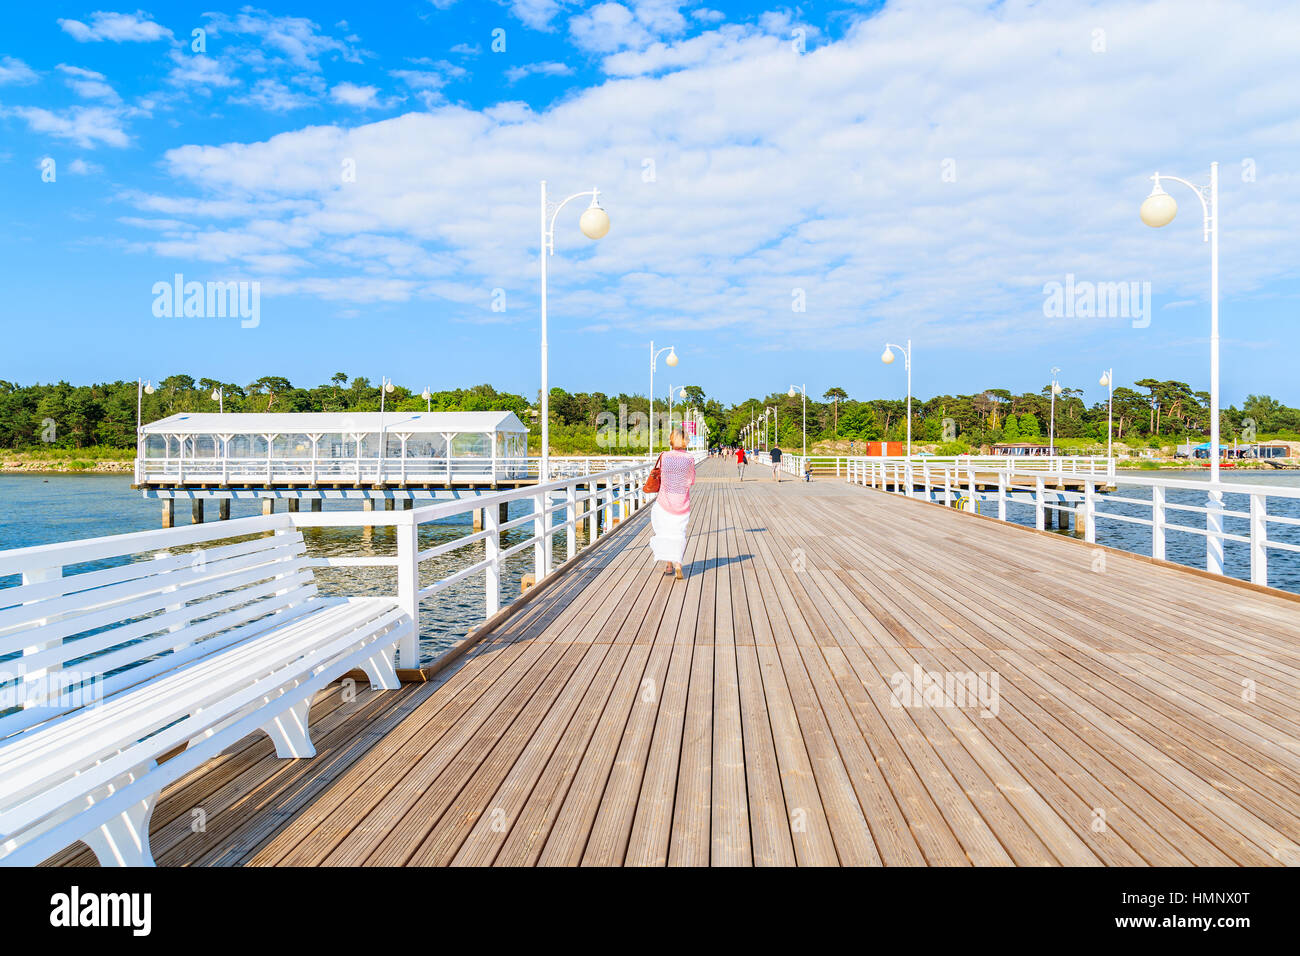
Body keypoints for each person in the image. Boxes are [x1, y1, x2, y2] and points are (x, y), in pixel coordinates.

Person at [650, 429, 696, 581]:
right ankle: (678, 564)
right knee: (679, 532)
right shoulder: (689, 458)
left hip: (664, 501)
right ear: (685, 441)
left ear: (671, 440)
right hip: (682, 502)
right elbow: (691, 480)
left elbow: (661, 475)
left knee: (665, 532)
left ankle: (668, 565)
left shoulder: (664, 456)